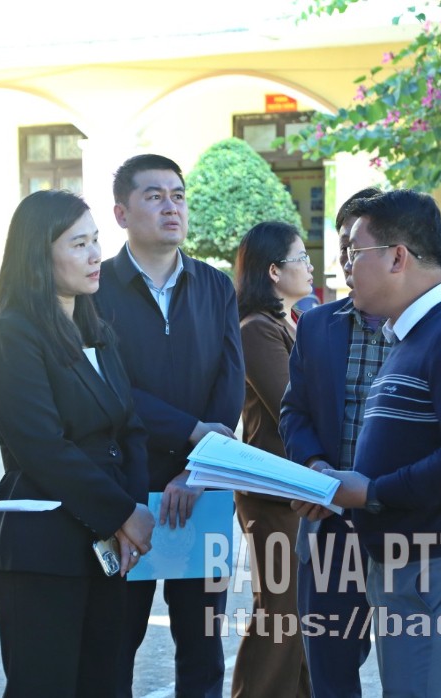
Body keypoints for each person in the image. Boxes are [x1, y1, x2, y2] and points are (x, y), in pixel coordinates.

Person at [299, 188, 441, 697]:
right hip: (403, 563)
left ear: (398, 257)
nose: (346, 269)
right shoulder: (411, 334)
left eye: (355, 254)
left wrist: (371, 492)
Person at [0, 190, 155, 697]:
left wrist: (132, 512)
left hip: (107, 545)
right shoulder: (10, 336)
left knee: (108, 683)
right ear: (39, 253)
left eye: (96, 240)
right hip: (44, 549)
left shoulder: (95, 330)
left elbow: (130, 430)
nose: (96, 255)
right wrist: (123, 512)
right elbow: (43, 447)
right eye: (79, 244)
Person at [94, 154, 245, 697]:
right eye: (154, 196)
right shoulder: (94, 289)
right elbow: (106, 389)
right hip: (123, 496)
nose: (171, 207)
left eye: (178, 195)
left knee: (202, 648)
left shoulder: (216, 286)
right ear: (121, 213)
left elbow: (230, 387)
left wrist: (198, 468)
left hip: (201, 493)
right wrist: (190, 430)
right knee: (115, 645)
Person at [280, 186, 382, 698]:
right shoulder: (317, 325)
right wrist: (316, 467)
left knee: (415, 673)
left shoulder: (434, 330)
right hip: (330, 529)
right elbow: (294, 412)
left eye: (356, 248)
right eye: (342, 246)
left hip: (407, 531)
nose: (345, 259)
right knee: (331, 674)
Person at [230, 221, 314, 698]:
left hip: (298, 489)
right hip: (272, 493)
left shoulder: (290, 322)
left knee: (300, 615)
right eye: (301, 258)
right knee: (279, 613)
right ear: (274, 271)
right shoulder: (257, 329)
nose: (310, 267)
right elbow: (290, 403)